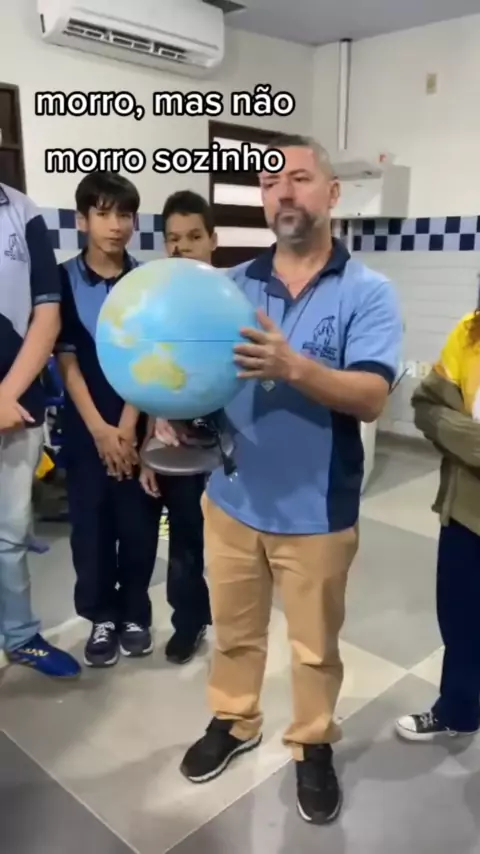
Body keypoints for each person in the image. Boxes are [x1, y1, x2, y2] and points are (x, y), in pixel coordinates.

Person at [156, 134, 403, 825]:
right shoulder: (231, 287)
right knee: (234, 632)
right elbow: (204, 379)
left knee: (314, 648)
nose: (283, 193)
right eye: (270, 183)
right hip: (232, 498)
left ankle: (312, 743)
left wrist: (295, 367)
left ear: (332, 193)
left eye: (299, 178)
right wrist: (180, 415)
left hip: (316, 510)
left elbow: (371, 397)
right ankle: (235, 721)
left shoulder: (368, 293)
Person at [55, 171, 160, 668]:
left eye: (125, 214)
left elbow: (150, 356)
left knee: (139, 525)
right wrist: (100, 430)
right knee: (91, 528)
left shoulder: (147, 281)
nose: (116, 225)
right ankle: (100, 616)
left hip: (135, 421)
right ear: (82, 220)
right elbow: (67, 360)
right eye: (103, 214)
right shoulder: (61, 279)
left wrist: (127, 426)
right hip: (85, 426)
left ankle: (135, 613)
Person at [0, 181, 80, 678]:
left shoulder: (21, 210)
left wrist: (5, 395)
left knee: (10, 532)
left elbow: (46, 316)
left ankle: (20, 636)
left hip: (16, 404)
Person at [396, 312, 480, 742]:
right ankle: (459, 711)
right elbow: (427, 407)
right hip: (467, 513)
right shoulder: (470, 332)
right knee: (461, 620)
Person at [140, 191, 213, 664]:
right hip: (177, 446)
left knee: (235, 546)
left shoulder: (234, 299)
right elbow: (146, 375)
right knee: (185, 540)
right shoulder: (156, 304)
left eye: (193, 236)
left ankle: (239, 624)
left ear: (212, 240)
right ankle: (189, 622)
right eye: (173, 238)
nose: (182, 246)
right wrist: (151, 442)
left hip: (232, 447)